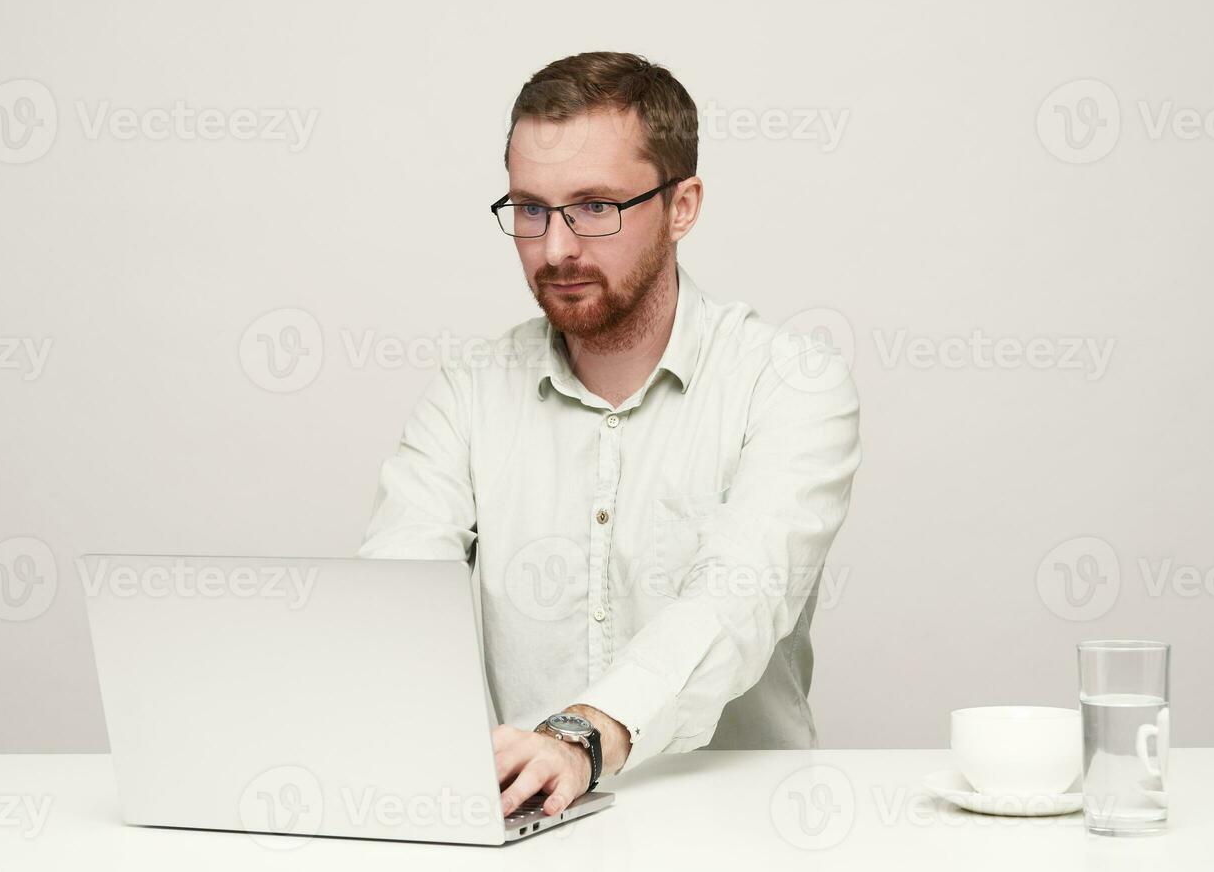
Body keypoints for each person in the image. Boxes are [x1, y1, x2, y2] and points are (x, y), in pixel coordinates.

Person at [359, 51, 862, 820]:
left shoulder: (791, 384)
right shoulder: (469, 393)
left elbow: (737, 597)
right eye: (530, 209)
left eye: (595, 206)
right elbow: (397, 603)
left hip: (744, 837)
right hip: (532, 829)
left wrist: (581, 736)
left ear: (683, 205)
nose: (555, 248)